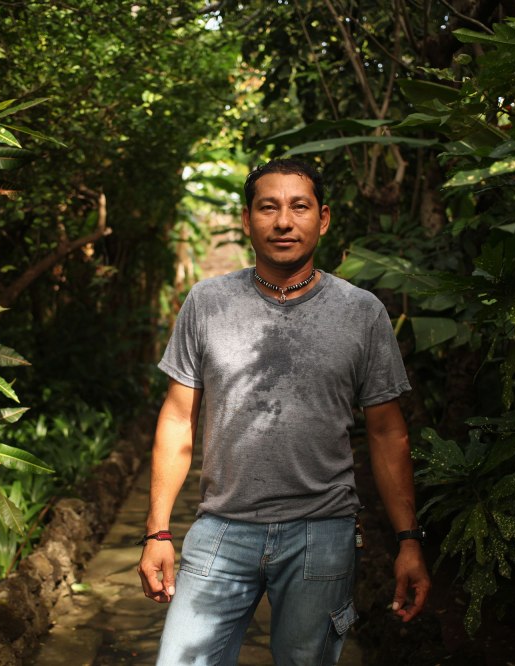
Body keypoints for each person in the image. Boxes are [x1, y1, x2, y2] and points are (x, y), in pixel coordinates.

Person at [136, 158, 430, 665]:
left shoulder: (361, 313)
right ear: (247, 220)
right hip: (221, 527)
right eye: (268, 208)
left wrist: (408, 540)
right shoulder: (207, 303)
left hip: (323, 533)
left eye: (299, 207)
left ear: (325, 218)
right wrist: (158, 530)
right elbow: (177, 418)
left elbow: (386, 434)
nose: (284, 221)